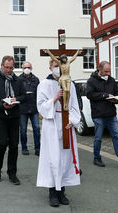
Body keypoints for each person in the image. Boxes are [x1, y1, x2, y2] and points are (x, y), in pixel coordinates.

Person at [36, 59, 81, 207]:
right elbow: (41, 107)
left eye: (60, 66)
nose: (58, 69)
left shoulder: (71, 84)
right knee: (52, 158)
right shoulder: (43, 84)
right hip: (52, 124)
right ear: (50, 67)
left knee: (65, 159)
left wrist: (72, 120)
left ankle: (62, 191)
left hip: (66, 124)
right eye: (56, 66)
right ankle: (52, 192)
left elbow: (75, 105)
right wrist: (55, 98)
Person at [86, 61, 118, 167]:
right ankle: (97, 157)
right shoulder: (91, 81)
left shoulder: (112, 80)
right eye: (106, 71)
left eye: (109, 71)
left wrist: (116, 100)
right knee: (98, 138)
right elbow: (90, 94)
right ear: (99, 70)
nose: (108, 73)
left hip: (111, 113)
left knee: (116, 136)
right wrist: (105, 95)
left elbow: (117, 93)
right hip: (98, 114)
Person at [0, 55, 26, 185]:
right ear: (2, 66)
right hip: (0, 115)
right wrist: (1, 104)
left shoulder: (18, 80)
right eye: (7, 67)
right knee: (2, 143)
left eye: (11, 68)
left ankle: (12, 173)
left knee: (14, 145)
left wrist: (16, 100)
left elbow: (24, 95)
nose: (9, 70)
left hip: (14, 115)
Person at [18, 61, 40, 156]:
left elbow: (39, 93)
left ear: (31, 68)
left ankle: (38, 148)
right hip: (23, 108)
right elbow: (16, 93)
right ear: (22, 69)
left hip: (34, 108)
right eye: (25, 67)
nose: (27, 69)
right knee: (23, 130)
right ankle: (24, 147)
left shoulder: (36, 79)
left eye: (28, 67)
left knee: (36, 128)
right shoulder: (18, 79)